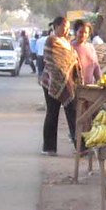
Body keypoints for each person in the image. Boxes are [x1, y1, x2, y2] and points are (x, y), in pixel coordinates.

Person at [40, 17, 79, 155]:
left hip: (67, 82)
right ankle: (49, 147)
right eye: (64, 26)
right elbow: (53, 62)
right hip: (51, 82)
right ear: (56, 26)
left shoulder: (67, 41)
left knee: (72, 112)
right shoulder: (51, 41)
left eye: (68, 27)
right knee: (52, 113)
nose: (66, 30)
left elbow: (71, 59)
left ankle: (79, 146)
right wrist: (61, 79)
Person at [71, 20, 100, 85]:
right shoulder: (70, 47)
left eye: (86, 32)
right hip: (74, 87)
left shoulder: (91, 48)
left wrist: (100, 82)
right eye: (81, 32)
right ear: (76, 32)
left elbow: (96, 67)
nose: (83, 35)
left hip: (89, 87)